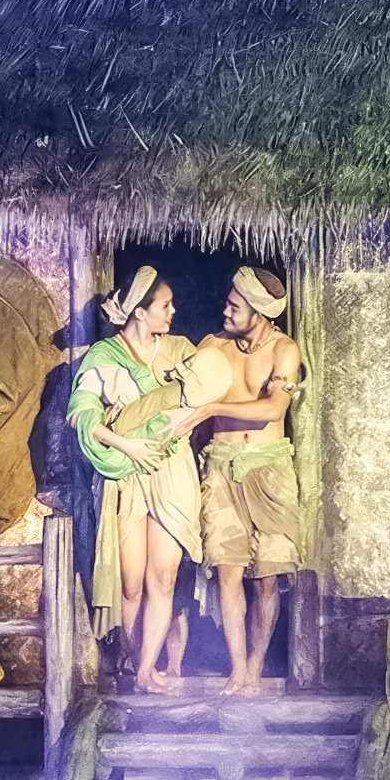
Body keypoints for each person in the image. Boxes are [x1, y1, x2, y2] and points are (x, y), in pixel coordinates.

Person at [67, 266, 206, 693]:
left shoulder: (180, 349)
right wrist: (127, 446)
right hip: (127, 473)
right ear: (140, 312)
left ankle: (148, 670)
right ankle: (132, 659)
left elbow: (211, 393)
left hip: (168, 468)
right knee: (131, 582)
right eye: (164, 305)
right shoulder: (104, 356)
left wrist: (189, 420)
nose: (172, 312)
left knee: (162, 578)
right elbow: (82, 416)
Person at [170, 266, 303, 694]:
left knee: (265, 578)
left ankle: (257, 669)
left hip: (269, 468)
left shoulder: (285, 350)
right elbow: (179, 396)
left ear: (259, 314)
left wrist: (212, 410)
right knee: (228, 571)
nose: (225, 310)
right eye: (228, 302)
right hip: (222, 466)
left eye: (235, 306)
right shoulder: (213, 347)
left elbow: (273, 410)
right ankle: (237, 670)